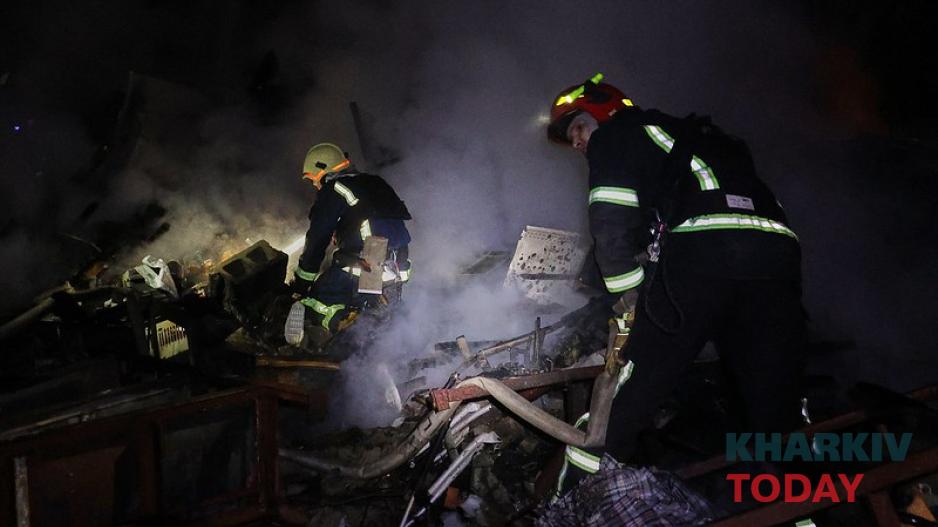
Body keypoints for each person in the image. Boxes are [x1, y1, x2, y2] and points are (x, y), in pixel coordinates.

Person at [546, 74, 806, 481]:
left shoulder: (617, 132)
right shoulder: (692, 137)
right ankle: (799, 501)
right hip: (778, 258)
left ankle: (577, 493)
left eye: (578, 127)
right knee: (773, 399)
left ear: (604, 112)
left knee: (629, 390)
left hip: (709, 251)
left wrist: (629, 300)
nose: (578, 142)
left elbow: (611, 222)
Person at [284, 142, 412, 351]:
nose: (315, 185)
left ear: (321, 170)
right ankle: (377, 343)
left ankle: (320, 341)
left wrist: (301, 282)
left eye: (313, 179)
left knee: (316, 303)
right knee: (378, 313)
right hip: (396, 266)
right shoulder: (375, 182)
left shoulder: (334, 189)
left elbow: (317, 239)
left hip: (365, 264)